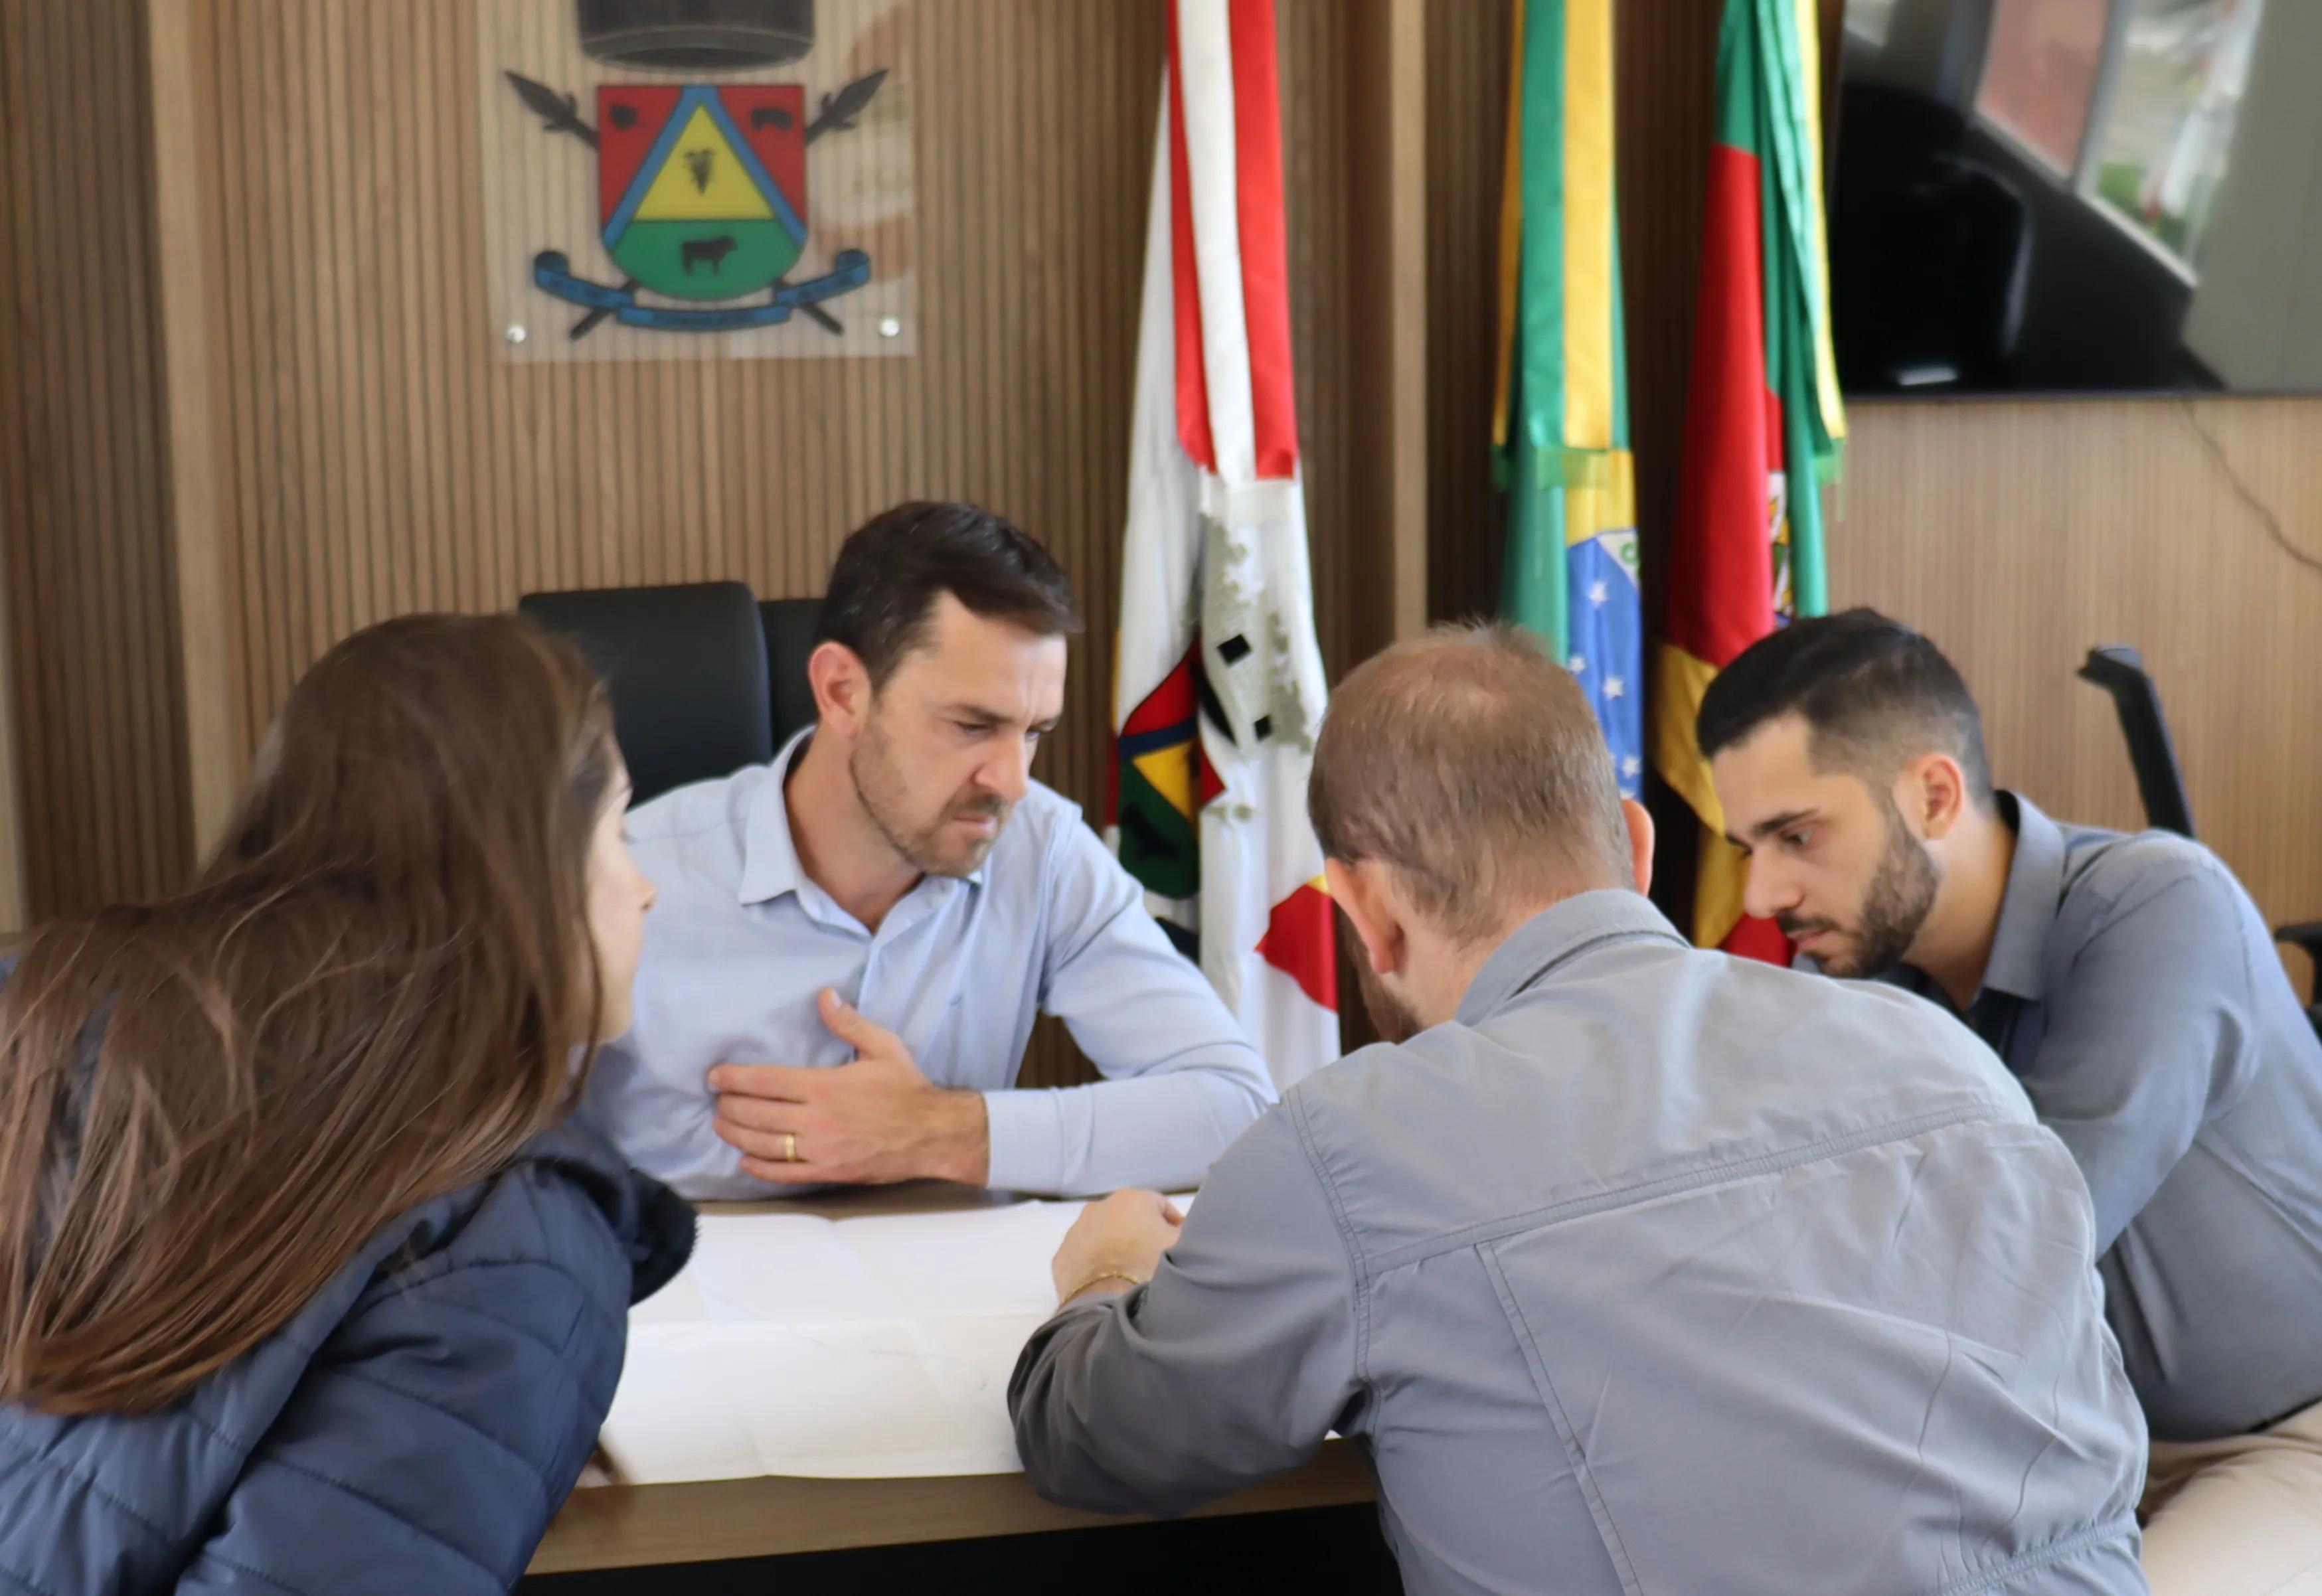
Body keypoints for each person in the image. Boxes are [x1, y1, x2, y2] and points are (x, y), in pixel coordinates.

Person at [1008, 624, 2148, 1596]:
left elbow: (1104, 1437)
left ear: (1366, 911)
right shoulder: (1944, 1055)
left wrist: (1107, 1275)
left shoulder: (1355, 1142)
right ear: (1638, 845)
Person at [0, 615, 693, 1595]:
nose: (646, 888)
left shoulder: (50, 1015)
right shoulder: (510, 1234)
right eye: (618, 832)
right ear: (521, 865)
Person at [1698, 607, 2322, 1595]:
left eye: (1796, 835)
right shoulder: (1868, 985)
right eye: (1747, 847)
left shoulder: (2159, 906)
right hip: (2065, 1460)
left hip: (2289, 1443)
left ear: (1933, 794)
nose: (1764, 893)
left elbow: (2020, 1247)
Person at [589, 501, 1274, 1200]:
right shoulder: (627, 878)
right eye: (974, 725)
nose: (1013, 782)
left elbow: (1236, 1108)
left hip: (961, 1305)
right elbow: (493, 1160)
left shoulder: (1040, 852)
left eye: (1035, 731)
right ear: (842, 692)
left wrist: (943, 1131)